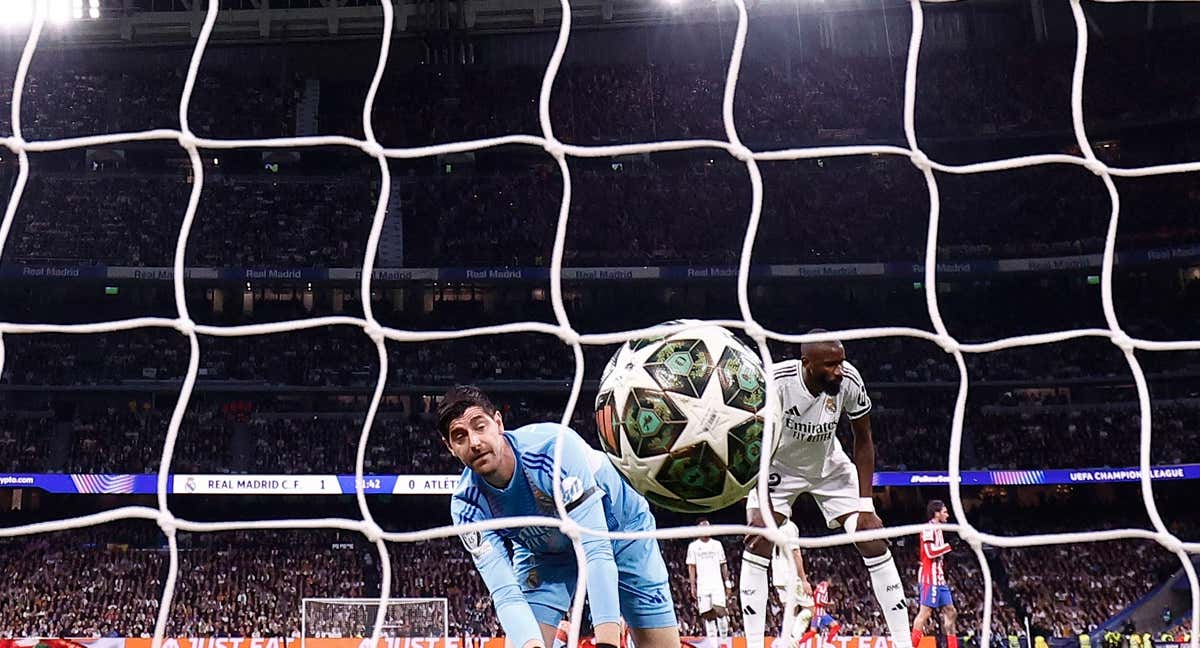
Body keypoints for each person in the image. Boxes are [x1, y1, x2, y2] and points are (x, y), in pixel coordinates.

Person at [442, 385, 680, 648]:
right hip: (545, 553)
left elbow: (596, 548)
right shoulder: (467, 507)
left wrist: (607, 643)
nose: (474, 442)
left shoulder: (551, 449)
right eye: (460, 436)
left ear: (498, 423)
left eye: (480, 427)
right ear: (450, 447)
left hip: (620, 532)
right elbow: (505, 592)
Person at [739, 331, 913, 648]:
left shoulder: (849, 381)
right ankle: (753, 642)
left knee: (873, 539)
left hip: (829, 465)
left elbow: (863, 440)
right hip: (777, 464)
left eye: (841, 362)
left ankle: (903, 642)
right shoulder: (775, 383)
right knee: (759, 537)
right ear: (807, 363)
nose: (839, 370)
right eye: (831, 365)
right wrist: (762, 505)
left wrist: (867, 508)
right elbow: (753, 442)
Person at [913, 500, 958, 648]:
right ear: (936, 513)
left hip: (939, 578)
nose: (947, 515)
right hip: (928, 576)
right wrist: (949, 546)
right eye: (945, 512)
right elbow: (930, 552)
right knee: (925, 613)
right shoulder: (927, 528)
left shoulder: (939, 529)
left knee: (951, 612)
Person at [770, 519, 817, 648]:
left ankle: (785, 640)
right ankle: (794, 640)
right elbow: (795, 553)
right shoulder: (790, 527)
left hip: (777, 575)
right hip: (790, 575)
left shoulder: (773, 526)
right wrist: (803, 580)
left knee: (792, 610)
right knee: (810, 609)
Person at [686, 519, 734, 638]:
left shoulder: (717, 544)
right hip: (703, 585)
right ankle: (713, 644)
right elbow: (691, 567)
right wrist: (692, 586)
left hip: (717, 584)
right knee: (708, 616)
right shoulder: (693, 547)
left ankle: (723, 640)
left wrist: (727, 582)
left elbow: (723, 564)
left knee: (720, 611)